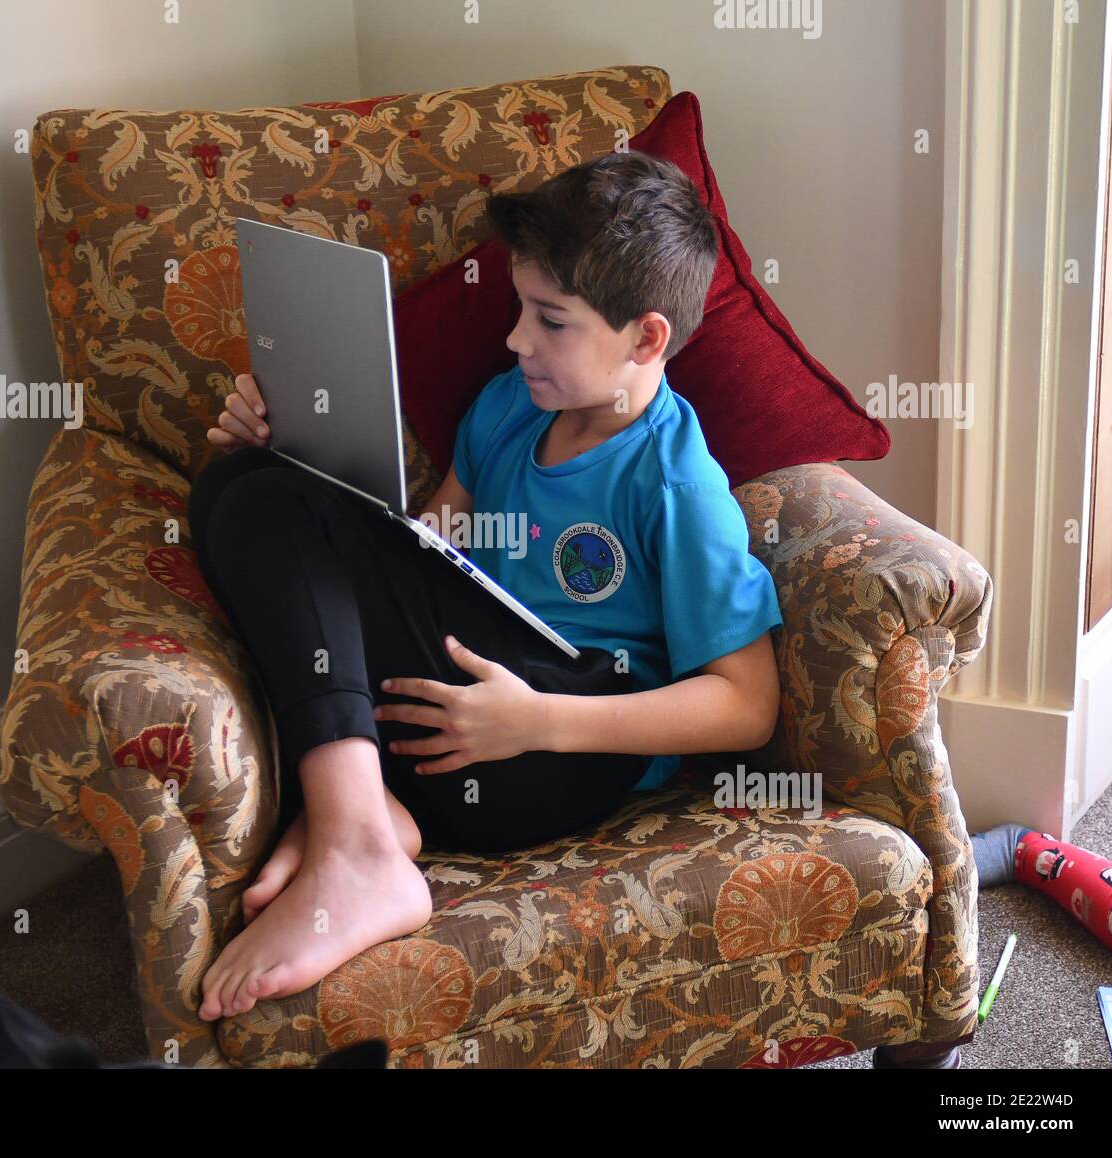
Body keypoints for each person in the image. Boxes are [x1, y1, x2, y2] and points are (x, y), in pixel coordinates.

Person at [192, 151, 784, 1021]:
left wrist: (538, 719)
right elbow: (440, 548)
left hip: (552, 745)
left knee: (272, 500)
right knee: (234, 484)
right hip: (452, 706)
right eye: (519, 309)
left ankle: (355, 849)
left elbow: (748, 705)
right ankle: (368, 817)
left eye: (551, 320)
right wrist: (293, 465)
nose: (515, 339)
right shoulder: (511, 406)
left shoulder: (676, 484)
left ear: (646, 338)